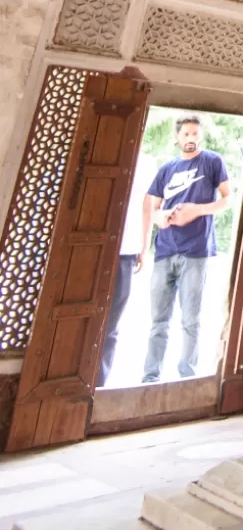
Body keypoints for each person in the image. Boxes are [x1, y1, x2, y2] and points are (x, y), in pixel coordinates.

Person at [141, 115, 230, 383]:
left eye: (195, 134)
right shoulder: (167, 169)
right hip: (165, 250)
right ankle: (150, 376)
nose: (191, 139)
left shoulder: (212, 162)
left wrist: (196, 211)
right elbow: (152, 209)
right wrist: (163, 217)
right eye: (186, 134)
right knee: (158, 320)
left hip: (195, 251)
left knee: (191, 319)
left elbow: (227, 199)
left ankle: (186, 377)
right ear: (177, 137)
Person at [98, 161, 150, 387]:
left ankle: (98, 382)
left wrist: (144, 247)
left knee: (111, 324)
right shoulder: (108, 156)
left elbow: (147, 207)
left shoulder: (148, 165)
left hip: (127, 251)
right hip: (96, 246)